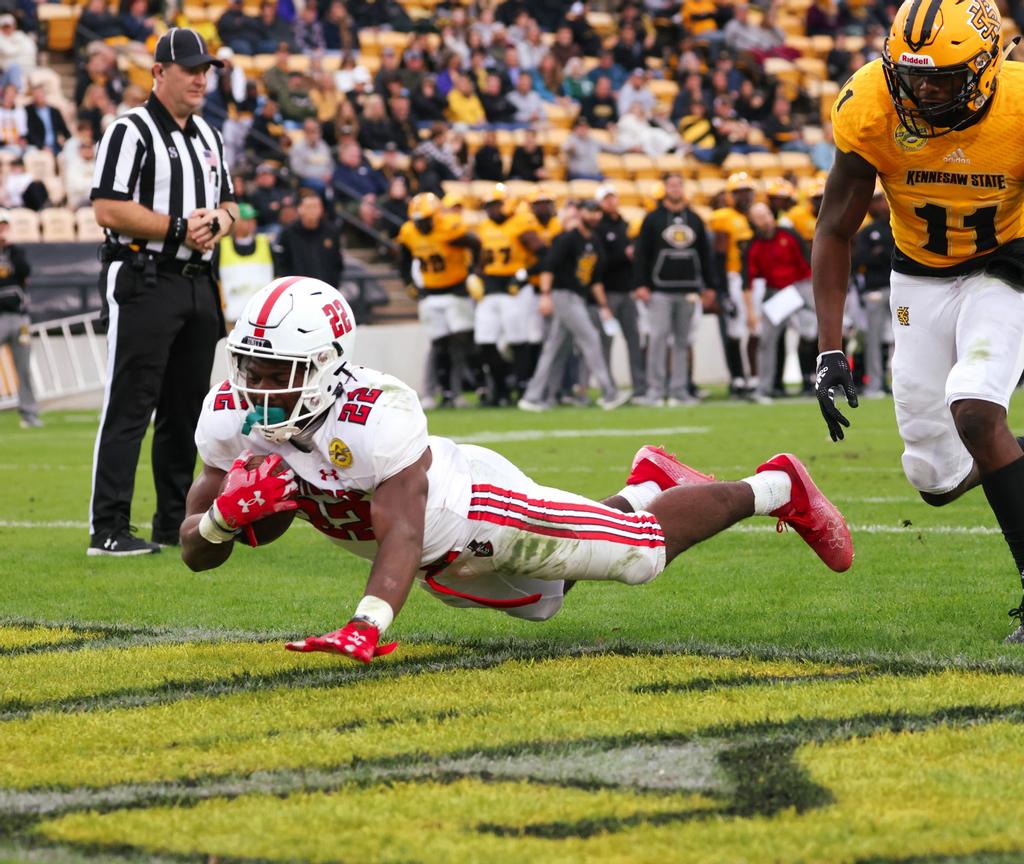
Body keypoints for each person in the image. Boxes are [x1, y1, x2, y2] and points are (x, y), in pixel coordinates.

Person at [180, 276, 853, 663]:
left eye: (277, 372)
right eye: (248, 366)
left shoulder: (375, 412)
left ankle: (776, 486)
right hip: (437, 564)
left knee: (640, 558)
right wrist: (217, 523)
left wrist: (366, 623)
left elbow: (402, 532)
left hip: (477, 509)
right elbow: (192, 550)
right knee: (547, 600)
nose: (257, 386)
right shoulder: (228, 415)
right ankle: (646, 483)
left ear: (326, 365)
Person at [812, 0, 1024, 641]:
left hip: (1007, 264)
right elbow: (834, 227)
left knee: (977, 409)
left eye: (944, 76)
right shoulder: (871, 105)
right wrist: (829, 348)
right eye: (912, 74)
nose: (924, 89)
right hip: (920, 276)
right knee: (934, 478)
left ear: (986, 68)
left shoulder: (1018, 109)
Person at [88, 28, 237, 556]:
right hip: (144, 276)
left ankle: (173, 520)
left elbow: (233, 207)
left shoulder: (209, 136)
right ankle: (107, 528)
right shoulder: (130, 130)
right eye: (191, 69)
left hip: (198, 284)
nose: (201, 78)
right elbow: (107, 208)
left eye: (206, 70)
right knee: (131, 405)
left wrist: (218, 220)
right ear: (158, 72)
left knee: (187, 411)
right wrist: (178, 227)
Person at [518, 199, 631, 411]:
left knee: (554, 347)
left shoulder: (594, 242)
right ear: (579, 213)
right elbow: (548, 267)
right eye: (590, 211)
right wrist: (545, 295)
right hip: (564, 295)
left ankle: (533, 397)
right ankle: (609, 393)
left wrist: (604, 305)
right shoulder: (567, 239)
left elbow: (595, 279)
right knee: (590, 338)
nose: (595, 216)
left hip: (578, 297)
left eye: (597, 212)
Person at [633, 174, 715, 407]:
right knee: (657, 340)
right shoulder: (652, 219)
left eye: (679, 185)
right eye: (671, 185)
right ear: (665, 189)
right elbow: (641, 254)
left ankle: (679, 390)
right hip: (659, 290)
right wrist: (641, 284)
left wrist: (709, 286)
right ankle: (655, 391)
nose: (675, 189)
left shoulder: (695, 219)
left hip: (688, 290)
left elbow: (705, 256)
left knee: (682, 341)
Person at [398, 192, 479, 409]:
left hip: (455, 291)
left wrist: (474, 273)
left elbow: (475, 243)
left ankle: (457, 391)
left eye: (425, 220)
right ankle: (435, 392)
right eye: (418, 221)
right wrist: (408, 283)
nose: (422, 225)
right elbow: (404, 259)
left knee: (460, 342)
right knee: (437, 345)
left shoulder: (449, 227)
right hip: (431, 294)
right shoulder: (409, 232)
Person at [474, 183, 546, 405]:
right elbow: (481, 260)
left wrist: (524, 274)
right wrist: (476, 277)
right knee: (484, 341)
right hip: (491, 289)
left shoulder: (521, 223)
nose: (492, 209)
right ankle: (501, 386)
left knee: (518, 340)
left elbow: (544, 254)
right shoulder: (484, 227)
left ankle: (522, 386)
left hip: (515, 289)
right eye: (489, 205)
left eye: (496, 204)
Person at [744, 203, 813, 404]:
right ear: (753, 222)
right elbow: (746, 281)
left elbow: (808, 263)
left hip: (800, 287)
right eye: (759, 217)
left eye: (766, 214)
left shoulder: (789, 235)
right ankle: (763, 387)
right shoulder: (753, 246)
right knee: (766, 340)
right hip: (776, 293)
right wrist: (750, 312)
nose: (765, 219)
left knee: (813, 333)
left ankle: (823, 382)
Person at [596, 184, 646, 400]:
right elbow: (600, 262)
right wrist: (623, 255)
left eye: (613, 197)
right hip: (608, 291)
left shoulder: (626, 226)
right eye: (607, 199)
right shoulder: (599, 228)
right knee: (605, 342)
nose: (611, 202)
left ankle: (640, 387)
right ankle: (609, 388)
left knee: (634, 341)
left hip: (627, 291)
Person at [851, 186, 894, 398]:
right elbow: (861, 259)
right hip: (875, 290)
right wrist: (884, 254)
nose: (880, 205)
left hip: (899, 291)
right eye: (875, 201)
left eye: (881, 200)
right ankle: (874, 384)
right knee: (874, 339)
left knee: (905, 338)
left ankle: (901, 384)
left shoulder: (897, 227)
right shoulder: (867, 232)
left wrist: (881, 253)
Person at [0, 209, 38, 428]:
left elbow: (24, 271)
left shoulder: (16, 252)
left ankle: (29, 413)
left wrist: (9, 248)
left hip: (19, 319)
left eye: (4, 225)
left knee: (23, 368)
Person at [216, 202, 274, 325]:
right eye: (246, 219)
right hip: (231, 318)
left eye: (252, 219)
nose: (251, 223)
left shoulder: (265, 243)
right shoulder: (222, 246)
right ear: (236, 222)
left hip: (262, 317)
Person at [274, 190, 344, 287]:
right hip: (298, 291)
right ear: (300, 209)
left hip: (326, 290)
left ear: (322, 209)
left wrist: (333, 284)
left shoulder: (332, 232)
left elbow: (338, 263)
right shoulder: (288, 233)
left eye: (316, 207)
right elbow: (281, 264)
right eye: (308, 207)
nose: (312, 211)